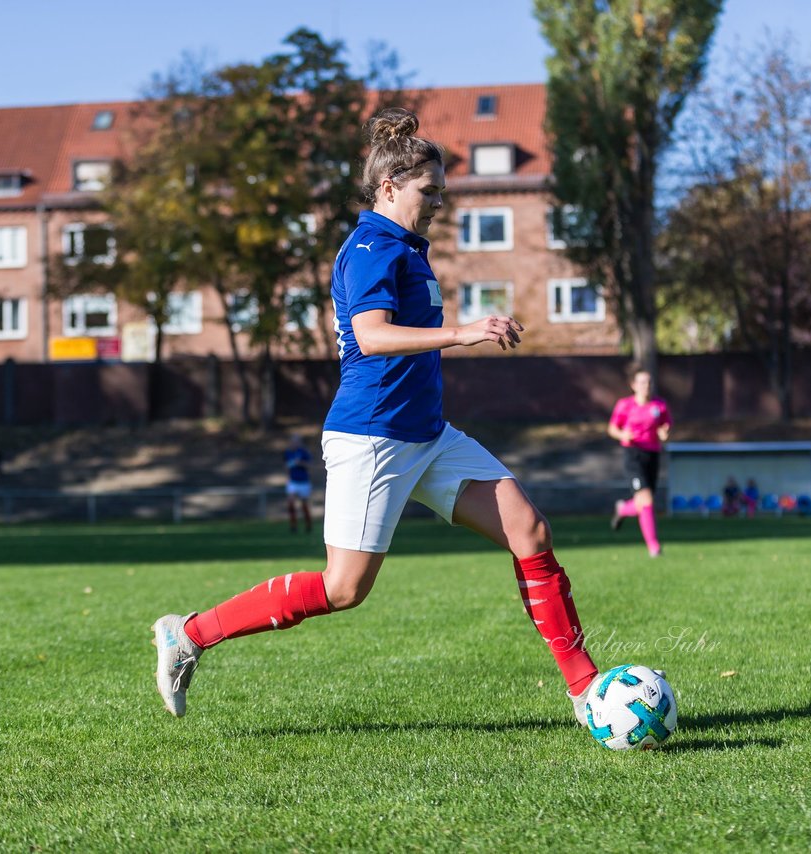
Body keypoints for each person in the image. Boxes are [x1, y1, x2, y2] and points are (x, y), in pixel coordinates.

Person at [151, 107, 602, 726]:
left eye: (442, 190)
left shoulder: (408, 250)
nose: (440, 202)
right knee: (344, 589)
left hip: (428, 434)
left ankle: (586, 691)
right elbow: (371, 336)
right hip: (372, 436)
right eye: (430, 190)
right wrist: (461, 333)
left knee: (530, 531)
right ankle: (188, 634)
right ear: (390, 187)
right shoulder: (368, 248)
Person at [607, 367, 672, 556]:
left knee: (644, 502)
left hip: (652, 455)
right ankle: (654, 547)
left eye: (649, 382)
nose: (647, 386)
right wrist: (622, 434)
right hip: (633, 454)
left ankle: (623, 508)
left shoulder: (659, 406)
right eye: (642, 382)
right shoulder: (625, 405)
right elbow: (612, 428)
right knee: (646, 499)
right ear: (634, 385)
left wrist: (664, 433)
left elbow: (665, 428)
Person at [284, 434, 314, 533]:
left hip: (304, 482)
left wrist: (300, 463)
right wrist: (287, 479)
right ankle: (293, 525)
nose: (294, 443)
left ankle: (308, 524)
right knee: (291, 502)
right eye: (293, 441)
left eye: (296, 441)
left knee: (304, 505)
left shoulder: (304, 452)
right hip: (293, 481)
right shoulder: (288, 453)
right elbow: (286, 466)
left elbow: (310, 466)